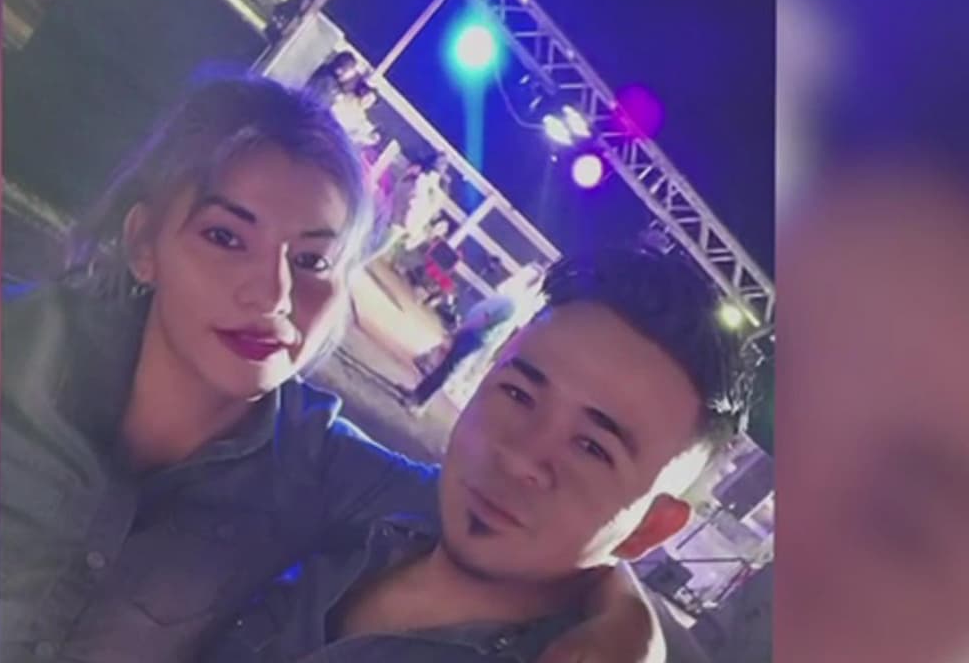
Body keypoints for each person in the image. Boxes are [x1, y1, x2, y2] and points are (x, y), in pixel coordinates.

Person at [1, 76, 658, 663]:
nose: (273, 295)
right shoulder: (4, 347)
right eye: (226, 237)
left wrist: (630, 623)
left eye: (312, 261)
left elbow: (520, 521)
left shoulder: (320, 467)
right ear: (145, 244)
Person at [201, 248, 744, 663]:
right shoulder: (389, 502)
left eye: (592, 448)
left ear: (650, 527)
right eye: (518, 394)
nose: (520, 457)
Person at [402, 292, 517, 411]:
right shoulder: (504, 301)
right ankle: (417, 394)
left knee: (444, 368)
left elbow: (482, 319)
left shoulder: (507, 303)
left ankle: (419, 400)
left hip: (471, 334)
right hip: (472, 334)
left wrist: (458, 331)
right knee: (443, 366)